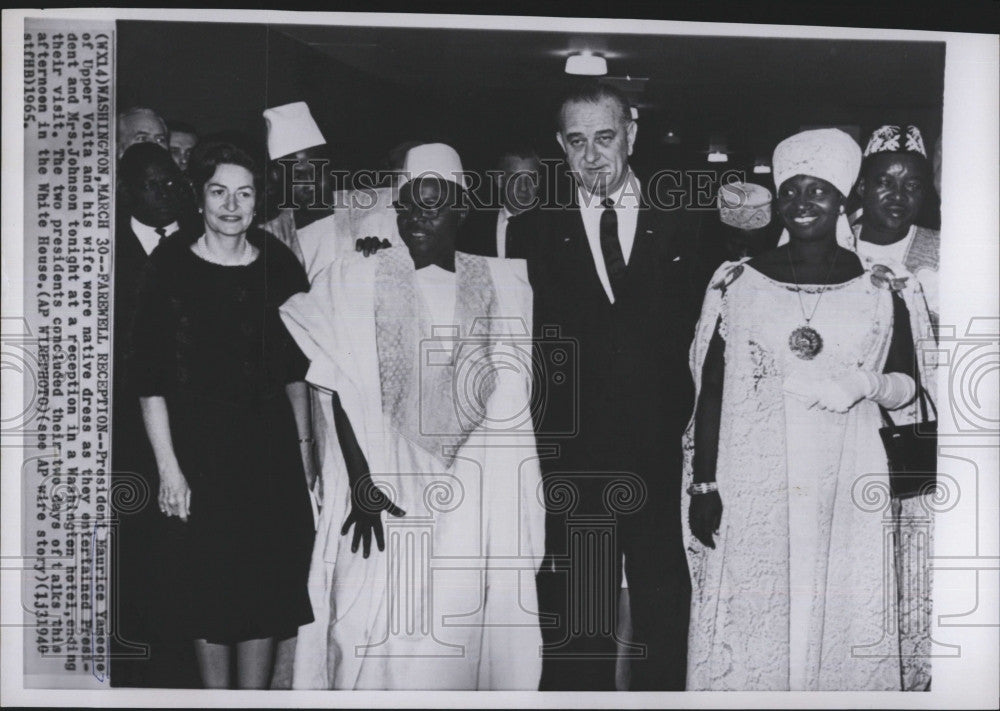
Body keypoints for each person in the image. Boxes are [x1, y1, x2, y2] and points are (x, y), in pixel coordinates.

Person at [279, 143, 545, 690]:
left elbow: (511, 409)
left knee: (453, 641)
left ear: (462, 210)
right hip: (384, 490)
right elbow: (336, 387)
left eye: (432, 206)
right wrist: (360, 484)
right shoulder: (357, 277)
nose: (415, 218)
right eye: (406, 206)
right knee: (369, 638)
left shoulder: (501, 284)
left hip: (469, 497)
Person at [683, 128, 935, 690]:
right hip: (755, 476)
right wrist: (703, 485)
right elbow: (713, 391)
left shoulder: (881, 287)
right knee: (760, 617)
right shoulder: (738, 283)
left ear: (845, 200)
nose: (802, 203)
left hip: (848, 473)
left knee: (839, 611)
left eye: (818, 191)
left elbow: (910, 388)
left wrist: (865, 382)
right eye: (791, 190)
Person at [527, 83, 698, 691]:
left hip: (662, 451)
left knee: (662, 606)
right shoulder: (535, 230)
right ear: (560, 147)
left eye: (605, 138)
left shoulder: (684, 221)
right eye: (577, 142)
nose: (593, 156)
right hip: (578, 459)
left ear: (632, 133)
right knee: (581, 615)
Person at [130, 143, 316, 689]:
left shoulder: (279, 265)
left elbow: (295, 372)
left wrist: (306, 457)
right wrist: (169, 470)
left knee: (264, 587)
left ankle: (252, 701)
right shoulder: (168, 266)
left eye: (244, 192)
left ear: (259, 201)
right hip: (197, 455)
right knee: (205, 586)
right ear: (200, 196)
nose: (231, 205)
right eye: (218, 191)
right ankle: (215, 700)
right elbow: (149, 380)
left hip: (269, 454)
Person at [111, 142, 199, 688]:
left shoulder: (198, 241)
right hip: (124, 434)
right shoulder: (100, 248)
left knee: (188, 555)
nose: (166, 193)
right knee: (134, 553)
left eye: (172, 183)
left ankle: (184, 671)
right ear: (125, 192)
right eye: (152, 185)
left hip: (192, 427)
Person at [853, 124, 940, 328]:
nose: (899, 195)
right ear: (863, 187)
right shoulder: (838, 247)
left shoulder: (944, 250)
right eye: (885, 183)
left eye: (912, 186)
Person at [458, 146, 541, 259]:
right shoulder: (474, 229)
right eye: (515, 177)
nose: (524, 187)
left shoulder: (554, 229)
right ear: (500, 180)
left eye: (531, 178)